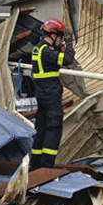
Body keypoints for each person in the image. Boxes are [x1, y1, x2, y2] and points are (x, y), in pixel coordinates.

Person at [30, 19, 75, 170]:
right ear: (53, 35)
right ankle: (47, 168)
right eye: (61, 36)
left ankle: (35, 166)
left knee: (41, 130)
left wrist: (59, 48)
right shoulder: (46, 51)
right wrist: (69, 43)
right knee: (53, 130)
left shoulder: (38, 48)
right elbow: (68, 59)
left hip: (41, 96)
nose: (61, 40)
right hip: (51, 96)